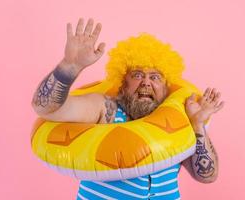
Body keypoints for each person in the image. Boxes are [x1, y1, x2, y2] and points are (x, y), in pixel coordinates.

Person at [32, 18, 224, 200]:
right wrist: (70, 66)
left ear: (166, 87)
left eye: (155, 77)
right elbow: (46, 108)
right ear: (122, 83)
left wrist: (198, 125)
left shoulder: (177, 116)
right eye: (138, 74)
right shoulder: (106, 109)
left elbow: (206, 176)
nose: (146, 83)